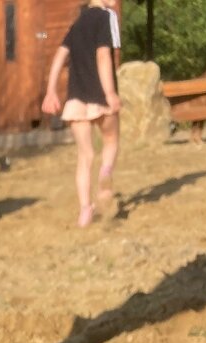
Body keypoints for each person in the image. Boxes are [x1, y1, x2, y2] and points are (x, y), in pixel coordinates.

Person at [42, 0, 122, 227]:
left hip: (76, 100)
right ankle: (106, 174)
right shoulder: (105, 17)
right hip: (100, 98)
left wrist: (51, 92)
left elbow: (58, 57)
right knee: (111, 140)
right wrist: (110, 93)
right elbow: (103, 56)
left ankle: (85, 211)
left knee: (84, 157)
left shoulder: (76, 24)